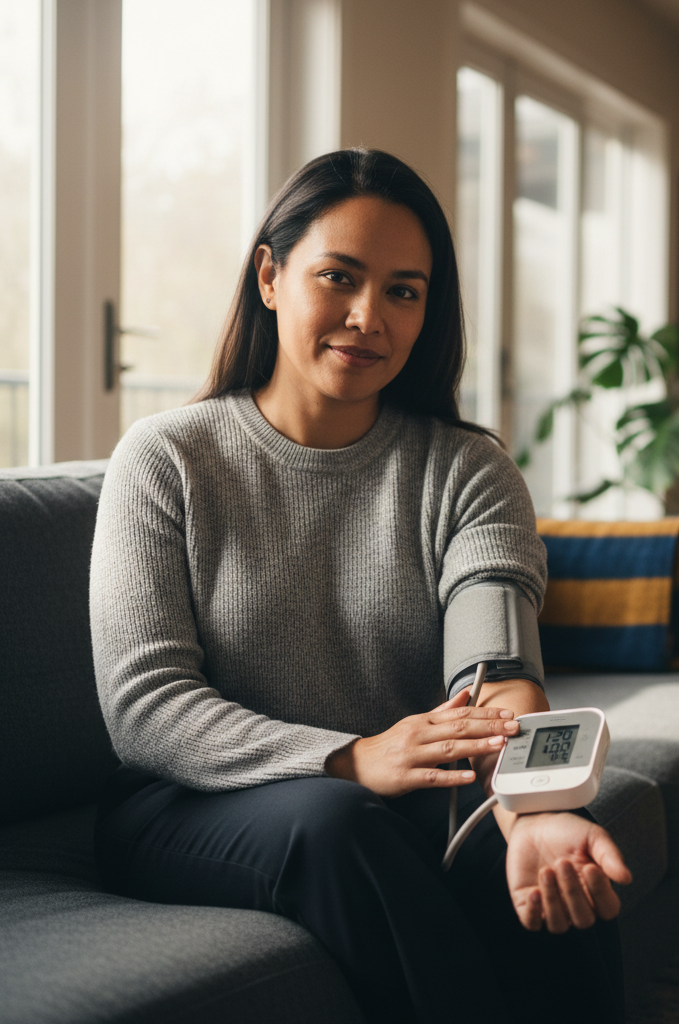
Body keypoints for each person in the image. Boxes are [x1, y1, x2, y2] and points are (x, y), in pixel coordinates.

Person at [90, 148, 631, 1024]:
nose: (367, 316)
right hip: (191, 803)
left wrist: (534, 809)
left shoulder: (467, 470)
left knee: (547, 855)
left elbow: (493, 672)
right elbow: (146, 708)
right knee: (341, 822)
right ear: (270, 276)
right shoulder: (165, 459)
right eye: (337, 276)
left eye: (404, 291)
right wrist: (347, 758)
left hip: (396, 797)